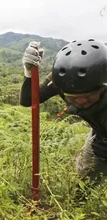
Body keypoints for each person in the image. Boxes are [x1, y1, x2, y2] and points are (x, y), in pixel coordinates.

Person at [20, 39, 107, 200]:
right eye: (73, 97)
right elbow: (28, 100)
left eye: (88, 96)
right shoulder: (62, 79)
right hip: (99, 131)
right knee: (84, 185)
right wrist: (29, 72)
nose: (81, 102)